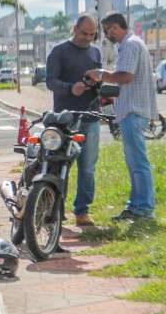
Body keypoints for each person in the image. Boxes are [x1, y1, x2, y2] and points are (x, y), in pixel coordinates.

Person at [85, 12, 158, 222]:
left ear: (115, 27)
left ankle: (143, 208)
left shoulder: (130, 45)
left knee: (138, 162)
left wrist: (101, 73)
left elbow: (126, 76)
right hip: (133, 109)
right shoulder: (134, 43)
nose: (107, 36)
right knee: (134, 162)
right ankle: (136, 206)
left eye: (108, 31)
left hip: (133, 111)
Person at [46, 15, 102, 228]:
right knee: (60, 165)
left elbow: (99, 80)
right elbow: (51, 82)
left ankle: (82, 211)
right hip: (65, 119)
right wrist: (71, 88)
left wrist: (100, 86)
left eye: (92, 34)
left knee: (88, 167)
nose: (88, 38)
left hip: (91, 117)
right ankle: (55, 209)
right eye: (84, 33)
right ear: (74, 28)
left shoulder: (95, 52)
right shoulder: (59, 51)